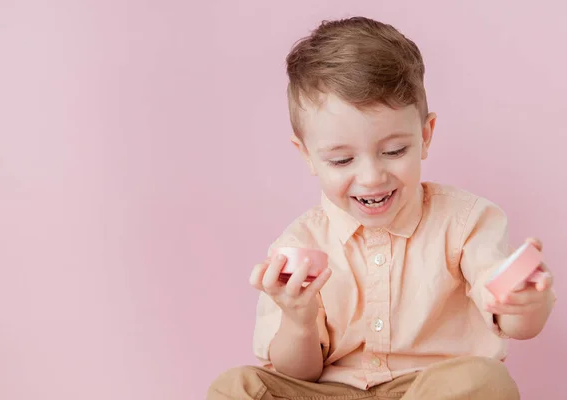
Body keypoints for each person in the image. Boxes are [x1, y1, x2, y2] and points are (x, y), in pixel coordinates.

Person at [207, 16, 556, 399]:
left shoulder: (466, 222)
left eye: (394, 151)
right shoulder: (301, 243)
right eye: (341, 160)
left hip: (429, 387)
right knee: (237, 387)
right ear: (307, 155)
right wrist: (298, 318)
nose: (372, 177)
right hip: (330, 391)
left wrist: (523, 303)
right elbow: (298, 374)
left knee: (485, 381)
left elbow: (511, 317)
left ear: (425, 136)